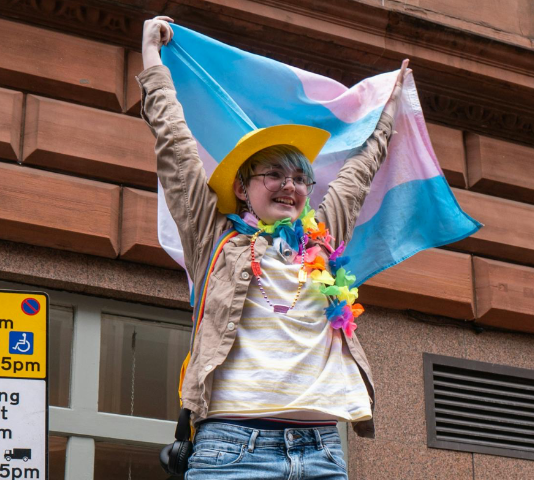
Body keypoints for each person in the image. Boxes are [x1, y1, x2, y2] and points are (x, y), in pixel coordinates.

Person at [138, 15, 408, 480]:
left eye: (301, 178)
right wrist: (151, 59)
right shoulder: (214, 237)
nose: (290, 186)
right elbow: (175, 145)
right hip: (232, 450)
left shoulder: (323, 233)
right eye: (275, 175)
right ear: (243, 189)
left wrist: (389, 104)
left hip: (323, 451)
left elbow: (361, 169)